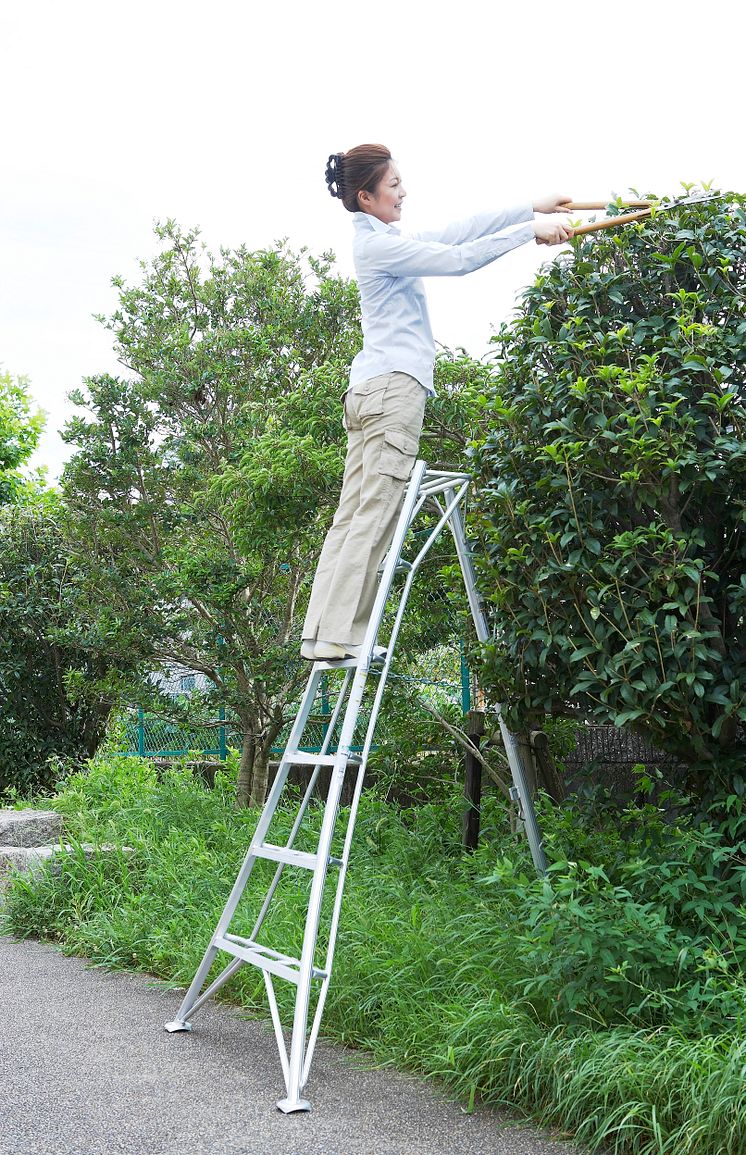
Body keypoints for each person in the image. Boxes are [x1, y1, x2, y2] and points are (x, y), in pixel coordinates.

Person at [301, 143, 573, 662]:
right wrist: (527, 233)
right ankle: (339, 637)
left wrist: (530, 209)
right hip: (393, 391)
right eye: (394, 185)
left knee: (351, 517)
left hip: (369, 391)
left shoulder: (384, 240)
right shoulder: (379, 248)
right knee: (374, 515)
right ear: (366, 196)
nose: (404, 192)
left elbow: (459, 231)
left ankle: (322, 632)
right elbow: (458, 261)